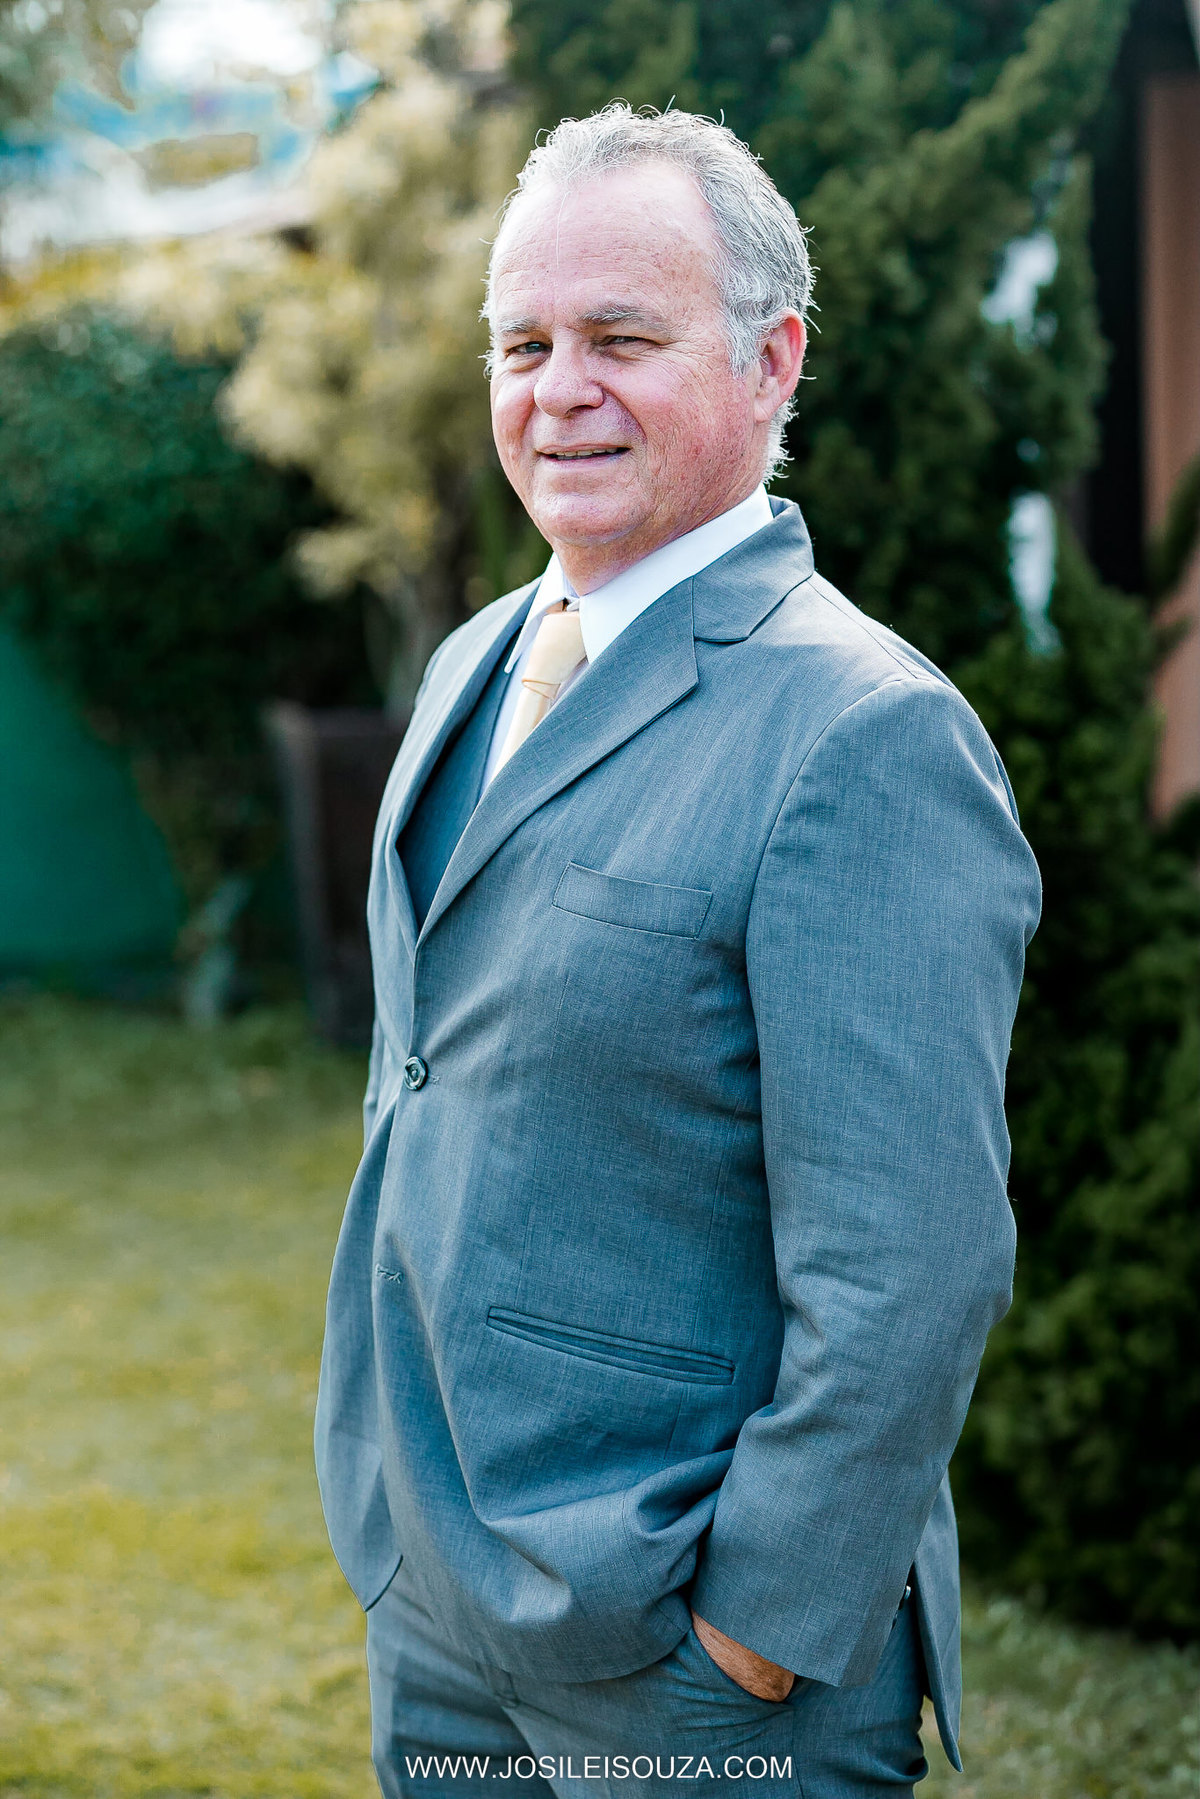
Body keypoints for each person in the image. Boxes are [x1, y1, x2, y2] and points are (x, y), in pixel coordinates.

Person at [315, 104, 1040, 1799]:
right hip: (436, 1597)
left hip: (694, 1670)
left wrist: (755, 1638)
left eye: (621, 339)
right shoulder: (479, 662)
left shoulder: (867, 737)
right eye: (524, 341)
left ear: (773, 360)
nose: (557, 388)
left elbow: (911, 1268)